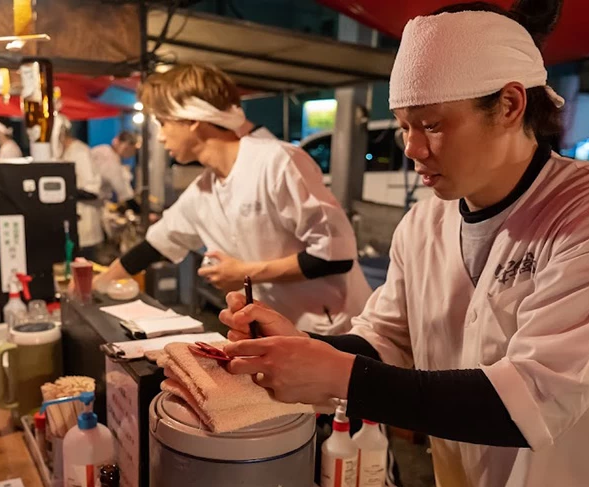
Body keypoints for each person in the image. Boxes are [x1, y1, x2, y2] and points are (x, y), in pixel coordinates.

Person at [220, 1, 589, 487]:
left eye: (432, 125)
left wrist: (336, 375)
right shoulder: (424, 223)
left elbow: (532, 397)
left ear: (510, 104)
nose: (413, 149)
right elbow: (387, 338)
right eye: (404, 128)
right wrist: (299, 348)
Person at [91, 64, 370, 334]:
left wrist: (245, 272)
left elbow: (335, 256)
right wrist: (98, 283)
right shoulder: (203, 189)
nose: (161, 137)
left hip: (335, 331)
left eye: (163, 123)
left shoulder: (277, 162)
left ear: (192, 120)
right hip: (277, 330)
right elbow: (155, 245)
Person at [56, 115, 106, 263]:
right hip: (73, 229)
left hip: (86, 230)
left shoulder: (80, 152)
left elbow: (92, 190)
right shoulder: (65, 152)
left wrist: (66, 192)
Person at [91, 131, 139, 212]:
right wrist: (138, 209)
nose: (132, 154)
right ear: (126, 146)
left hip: (95, 202)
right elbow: (122, 190)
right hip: (92, 203)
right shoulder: (109, 158)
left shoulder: (104, 150)